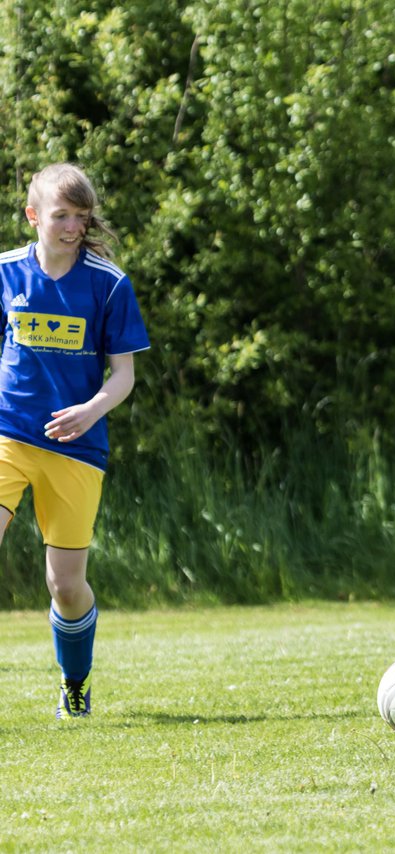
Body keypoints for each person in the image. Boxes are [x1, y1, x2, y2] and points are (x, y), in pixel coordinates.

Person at [0, 163, 150, 719]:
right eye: (60, 215)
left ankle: (75, 683)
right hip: (8, 434)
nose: (71, 227)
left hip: (77, 449)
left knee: (65, 586)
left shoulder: (108, 283)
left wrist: (90, 412)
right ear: (33, 215)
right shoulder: (6, 273)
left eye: (80, 217)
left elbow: (124, 376)